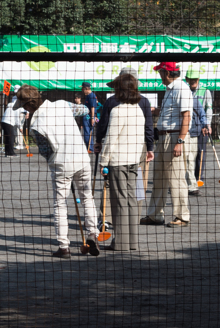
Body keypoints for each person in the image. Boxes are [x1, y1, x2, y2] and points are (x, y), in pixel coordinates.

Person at [15, 85, 100, 258]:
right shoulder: (62, 104)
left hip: (61, 163)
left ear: (29, 106)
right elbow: (84, 109)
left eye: (24, 106)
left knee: (60, 204)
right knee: (87, 197)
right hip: (82, 158)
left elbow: (46, 152)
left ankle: (64, 247)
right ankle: (93, 233)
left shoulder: (35, 125)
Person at [95, 67, 156, 232]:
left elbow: (104, 124)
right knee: (138, 183)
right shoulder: (143, 101)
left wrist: (99, 141)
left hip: (116, 147)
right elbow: (148, 127)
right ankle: (133, 217)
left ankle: (106, 218)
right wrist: (150, 147)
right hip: (139, 146)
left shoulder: (112, 101)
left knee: (110, 182)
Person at [143, 61, 193, 227]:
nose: (159, 75)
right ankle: (155, 215)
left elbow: (186, 116)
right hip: (163, 138)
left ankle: (182, 216)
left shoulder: (181, 88)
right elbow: (171, 114)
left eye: (160, 72)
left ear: (166, 72)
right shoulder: (170, 89)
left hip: (174, 138)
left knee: (176, 178)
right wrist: (154, 111)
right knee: (159, 178)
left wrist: (180, 141)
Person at [186, 69, 213, 195]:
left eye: (195, 79)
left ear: (198, 79)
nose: (193, 82)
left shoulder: (205, 91)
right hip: (187, 128)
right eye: (190, 79)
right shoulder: (184, 90)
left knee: (200, 153)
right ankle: (190, 179)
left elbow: (208, 109)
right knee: (188, 156)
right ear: (187, 79)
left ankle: (197, 178)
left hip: (201, 126)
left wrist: (207, 125)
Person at [1, 90, 20, 156]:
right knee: (11, 138)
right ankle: (11, 152)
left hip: (3, 122)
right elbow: (17, 118)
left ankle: (7, 152)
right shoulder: (16, 107)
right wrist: (20, 127)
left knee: (7, 138)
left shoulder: (10, 105)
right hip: (8, 123)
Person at [80, 82, 98, 152]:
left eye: (83, 89)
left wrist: (93, 118)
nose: (82, 90)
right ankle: (90, 147)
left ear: (86, 88)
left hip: (89, 116)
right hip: (89, 116)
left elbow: (93, 107)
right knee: (88, 132)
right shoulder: (88, 96)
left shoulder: (91, 96)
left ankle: (89, 148)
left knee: (88, 133)